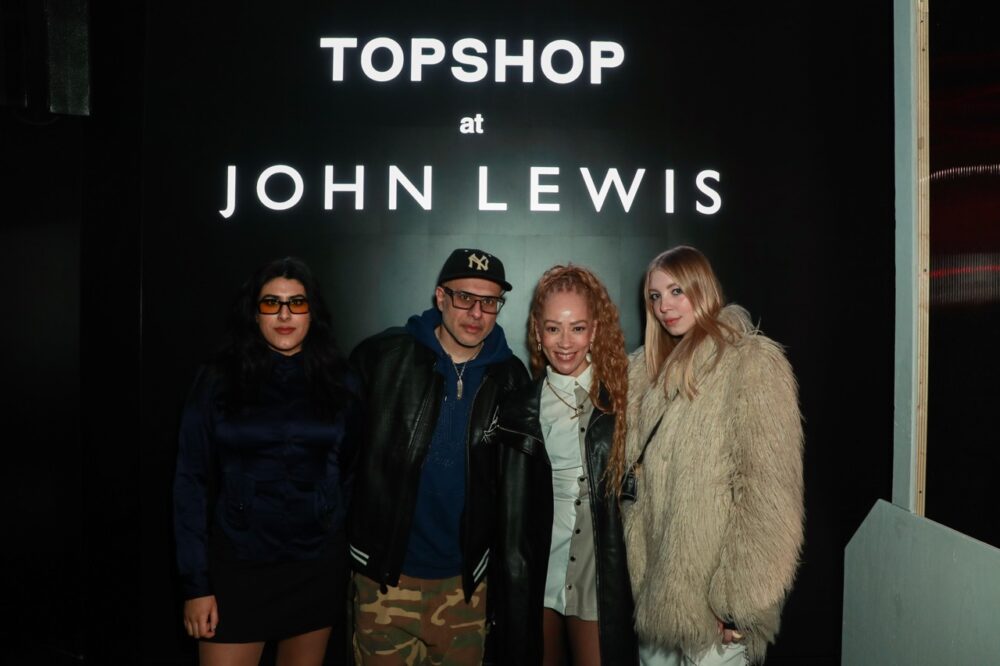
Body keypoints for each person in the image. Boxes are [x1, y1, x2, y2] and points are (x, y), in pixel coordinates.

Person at [615, 246, 804, 666]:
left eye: (676, 290)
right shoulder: (644, 374)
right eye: (655, 296)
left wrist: (738, 601)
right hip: (656, 598)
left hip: (715, 608)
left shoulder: (751, 363)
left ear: (703, 288)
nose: (665, 306)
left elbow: (768, 496)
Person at [173, 257, 359, 666]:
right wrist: (196, 585)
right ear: (254, 313)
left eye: (297, 303)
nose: (285, 315)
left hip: (314, 571)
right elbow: (191, 481)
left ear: (313, 312)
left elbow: (348, 471)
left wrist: (326, 520)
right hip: (237, 571)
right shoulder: (218, 379)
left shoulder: (340, 380)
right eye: (272, 303)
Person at [348, 248, 529, 665]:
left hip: (465, 589)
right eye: (464, 297)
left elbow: (515, 493)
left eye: (489, 302)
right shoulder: (383, 358)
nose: (476, 312)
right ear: (440, 297)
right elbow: (340, 462)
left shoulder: (512, 378)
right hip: (385, 583)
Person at [495, 265, 639, 666]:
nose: (564, 343)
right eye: (553, 328)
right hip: (539, 573)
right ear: (538, 332)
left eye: (577, 328)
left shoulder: (626, 398)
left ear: (594, 331)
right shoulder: (518, 407)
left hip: (600, 573)